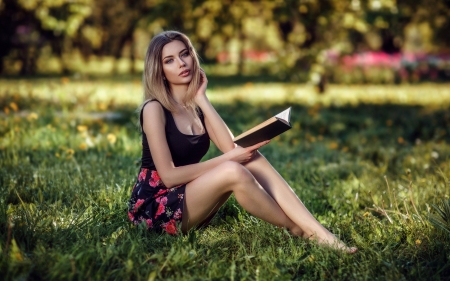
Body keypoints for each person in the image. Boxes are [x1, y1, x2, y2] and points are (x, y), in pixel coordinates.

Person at [127, 30, 357, 253]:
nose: (181, 63)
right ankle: (299, 229)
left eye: (184, 54)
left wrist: (202, 99)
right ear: (159, 70)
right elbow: (169, 177)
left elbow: (231, 147)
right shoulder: (154, 109)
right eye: (170, 60)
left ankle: (317, 230)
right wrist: (228, 159)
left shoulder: (195, 108)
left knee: (249, 155)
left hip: (187, 200)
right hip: (154, 209)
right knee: (232, 168)